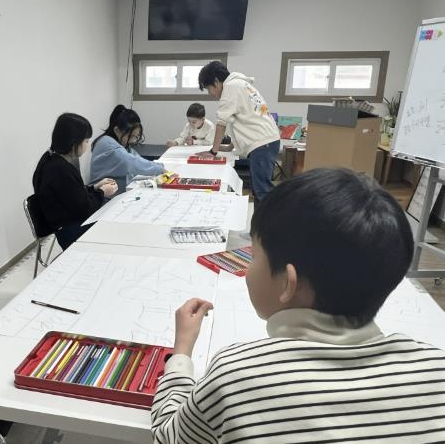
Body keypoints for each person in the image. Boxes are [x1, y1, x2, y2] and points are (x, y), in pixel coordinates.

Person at [151, 168, 445, 443]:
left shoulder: (235, 377)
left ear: (288, 284)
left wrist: (181, 352)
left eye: (254, 257)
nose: (248, 269)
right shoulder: (435, 369)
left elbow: (168, 436)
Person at [197, 61, 280, 203]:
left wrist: (213, 152)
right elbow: (242, 119)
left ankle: (271, 217)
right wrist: (230, 147)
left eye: (209, 89)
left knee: (262, 192)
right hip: (266, 141)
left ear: (216, 81)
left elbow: (221, 123)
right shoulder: (239, 84)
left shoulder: (230, 87)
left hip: (262, 144)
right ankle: (263, 216)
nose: (210, 94)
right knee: (259, 189)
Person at [32, 113, 117, 250]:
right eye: (86, 141)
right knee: (111, 226)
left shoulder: (49, 158)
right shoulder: (61, 170)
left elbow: (72, 194)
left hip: (65, 223)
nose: (87, 145)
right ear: (74, 143)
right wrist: (102, 192)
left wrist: (94, 187)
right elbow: (86, 209)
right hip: (70, 231)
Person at [90, 105, 165, 193]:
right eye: (131, 136)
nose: (133, 140)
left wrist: (160, 166)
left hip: (116, 193)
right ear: (117, 130)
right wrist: (160, 169)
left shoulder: (121, 144)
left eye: (136, 136)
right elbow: (132, 163)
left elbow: (137, 159)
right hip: (103, 197)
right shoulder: (106, 143)